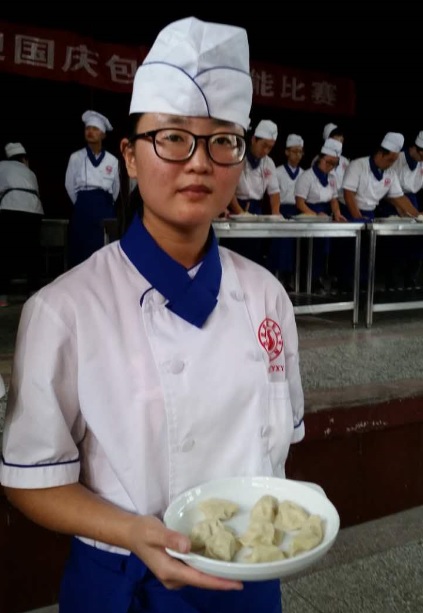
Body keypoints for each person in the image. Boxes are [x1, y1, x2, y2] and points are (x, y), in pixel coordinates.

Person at [1, 16, 304, 613]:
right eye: (172, 137)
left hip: (249, 580)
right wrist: (131, 531)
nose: (199, 162)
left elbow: (279, 447)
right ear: (131, 157)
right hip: (125, 583)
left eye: (222, 141)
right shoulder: (65, 309)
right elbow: (31, 478)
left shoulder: (267, 295)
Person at [341, 132, 419, 291]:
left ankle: (364, 285)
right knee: (350, 252)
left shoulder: (390, 173)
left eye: (394, 160)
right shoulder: (358, 165)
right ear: (380, 153)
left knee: (367, 252)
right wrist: (358, 218)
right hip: (350, 211)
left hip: (370, 213)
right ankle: (346, 286)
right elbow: (348, 194)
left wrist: (418, 216)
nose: (392, 164)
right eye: (390, 160)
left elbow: (399, 197)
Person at [65, 110, 120, 267]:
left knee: (103, 247)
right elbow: (69, 184)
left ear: (103, 135)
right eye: (87, 128)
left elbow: (116, 188)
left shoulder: (112, 160)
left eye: (95, 129)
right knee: (80, 247)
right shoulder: (76, 157)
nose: (90, 132)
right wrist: (82, 202)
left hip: (104, 206)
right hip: (83, 205)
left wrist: (105, 203)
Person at [294, 138, 346, 293]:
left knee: (323, 252)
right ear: (320, 159)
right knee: (310, 251)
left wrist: (337, 214)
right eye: (328, 162)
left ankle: (319, 279)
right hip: (308, 216)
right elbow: (300, 202)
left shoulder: (332, 178)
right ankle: (307, 281)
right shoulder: (307, 176)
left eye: (334, 164)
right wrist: (315, 215)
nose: (330, 167)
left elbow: (334, 199)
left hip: (324, 217)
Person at [225, 119, 280, 265]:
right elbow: (228, 189)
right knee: (235, 254)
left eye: (270, 148)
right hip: (236, 207)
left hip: (256, 211)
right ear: (254, 139)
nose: (266, 151)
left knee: (253, 256)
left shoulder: (269, 163)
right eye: (264, 146)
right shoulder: (236, 157)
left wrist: (276, 213)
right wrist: (240, 213)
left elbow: (274, 192)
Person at [0, 142, 44, 307]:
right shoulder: (30, 172)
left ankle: (2, 296)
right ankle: (33, 293)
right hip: (33, 210)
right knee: (32, 252)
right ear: (24, 159)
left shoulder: (2, 166)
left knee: (6, 252)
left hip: (11, 207)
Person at [268, 134, 305, 288]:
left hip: (298, 212)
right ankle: (279, 276)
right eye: (294, 151)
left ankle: (293, 278)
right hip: (282, 210)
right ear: (287, 152)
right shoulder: (278, 172)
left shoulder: (303, 173)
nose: (298, 155)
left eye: (300, 152)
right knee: (281, 245)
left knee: (297, 248)